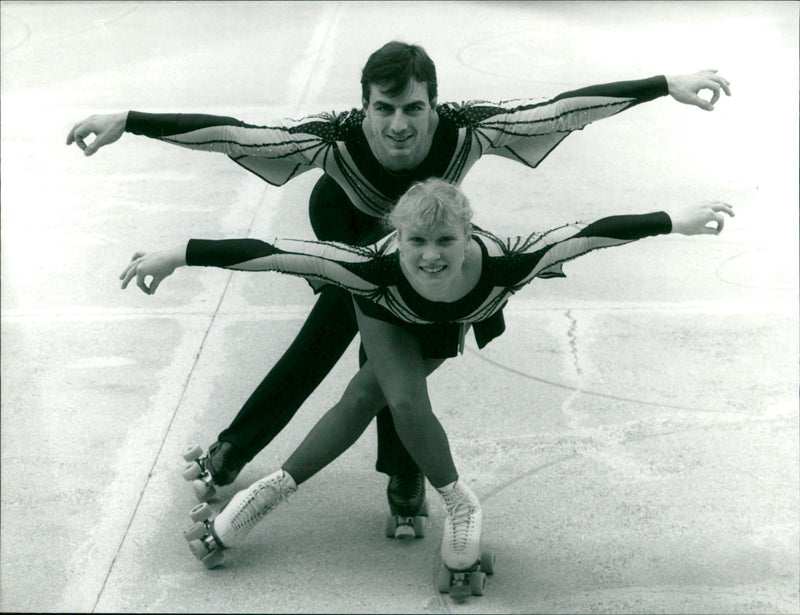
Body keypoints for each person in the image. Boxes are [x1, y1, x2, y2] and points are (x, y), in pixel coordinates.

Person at [71, 41, 732, 518]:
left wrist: (664, 82)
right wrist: (129, 122)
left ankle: (393, 474)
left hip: (423, 234)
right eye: (384, 107)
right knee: (336, 330)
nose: (399, 124)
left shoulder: (470, 129)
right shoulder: (333, 139)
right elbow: (234, 134)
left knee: (398, 355)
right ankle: (243, 451)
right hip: (347, 225)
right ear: (363, 107)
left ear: (433, 105)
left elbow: (560, 111)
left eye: (413, 108)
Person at [120, 178, 734, 574]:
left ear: (469, 235)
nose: (431, 254)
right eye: (416, 240)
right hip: (385, 308)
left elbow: (592, 232)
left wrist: (675, 219)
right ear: (397, 236)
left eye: (445, 239)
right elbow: (266, 251)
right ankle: (284, 496)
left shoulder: (511, 260)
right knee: (396, 401)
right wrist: (178, 253)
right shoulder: (370, 266)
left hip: (449, 317)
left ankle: (288, 495)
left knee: (369, 394)